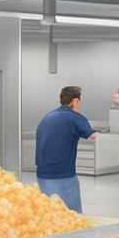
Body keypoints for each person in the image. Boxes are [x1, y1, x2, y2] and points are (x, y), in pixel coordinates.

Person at [35, 85, 96, 213]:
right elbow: (92, 135)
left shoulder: (47, 117)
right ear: (75, 101)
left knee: (53, 217)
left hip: (43, 174)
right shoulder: (75, 117)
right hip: (64, 175)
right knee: (74, 216)